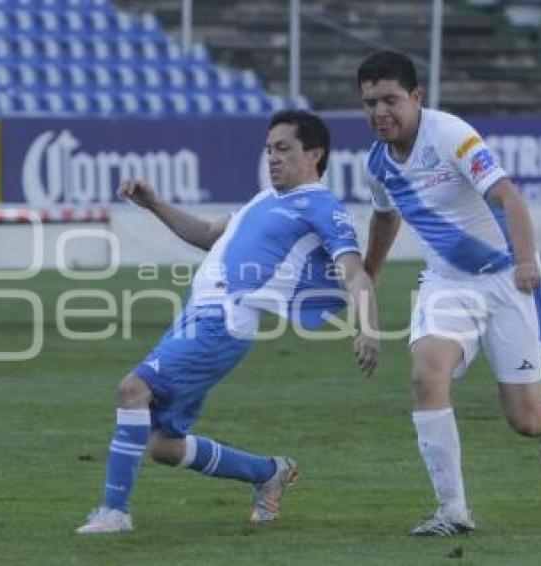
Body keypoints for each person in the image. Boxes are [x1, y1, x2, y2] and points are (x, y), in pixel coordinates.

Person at [76, 109, 380, 534]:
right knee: (163, 446)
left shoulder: (321, 206)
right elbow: (206, 234)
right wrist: (154, 204)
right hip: (196, 313)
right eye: (269, 149)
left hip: (225, 318)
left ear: (315, 154)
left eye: (283, 149)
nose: (272, 158)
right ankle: (267, 472)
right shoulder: (263, 199)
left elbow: (354, 270)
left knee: (132, 389)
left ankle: (114, 512)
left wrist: (368, 327)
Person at [356, 50, 541, 536]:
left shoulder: (450, 134)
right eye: (370, 102)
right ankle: (453, 511)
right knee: (426, 374)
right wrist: (371, 268)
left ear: (417, 97)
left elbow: (508, 197)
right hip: (448, 282)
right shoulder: (376, 164)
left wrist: (524, 262)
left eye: (390, 100)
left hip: (509, 278)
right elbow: (385, 215)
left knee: (525, 416)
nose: (379, 113)